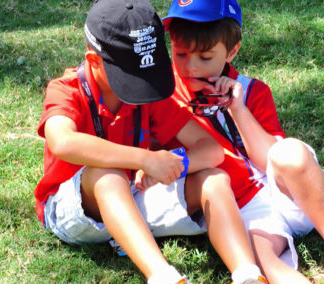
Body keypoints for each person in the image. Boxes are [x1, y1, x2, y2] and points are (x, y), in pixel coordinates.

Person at [34, 0, 265, 283]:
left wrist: (174, 163)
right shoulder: (66, 89)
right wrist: (144, 159)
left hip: (133, 197)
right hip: (74, 212)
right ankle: (164, 276)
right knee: (108, 174)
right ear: (94, 61)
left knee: (214, 178)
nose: (141, 86)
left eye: (148, 72)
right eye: (131, 77)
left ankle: (248, 275)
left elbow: (212, 150)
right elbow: (62, 142)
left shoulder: (149, 93)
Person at [161, 0, 324, 283]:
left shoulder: (251, 90)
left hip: (294, 193)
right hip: (245, 210)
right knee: (262, 261)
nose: (190, 66)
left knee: (290, 153)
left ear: (232, 51)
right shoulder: (164, 98)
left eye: (205, 57)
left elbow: (269, 159)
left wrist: (237, 109)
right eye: (180, 53)